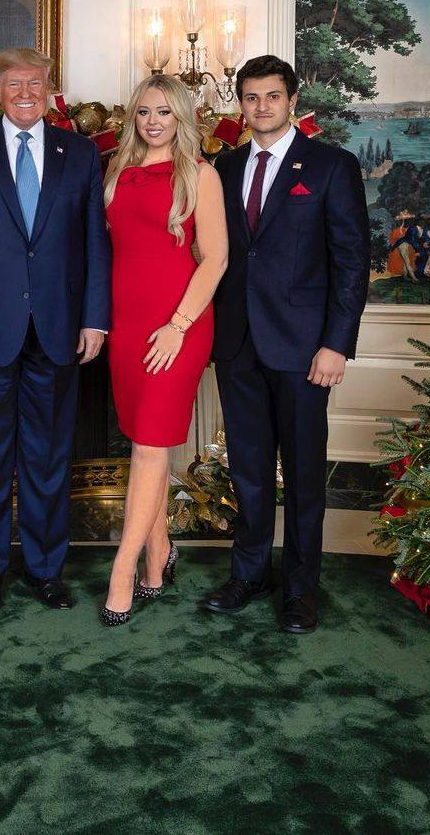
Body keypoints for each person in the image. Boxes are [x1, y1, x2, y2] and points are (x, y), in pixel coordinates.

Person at [0, 47, 110, 614]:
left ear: (50, 87)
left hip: (58, 328)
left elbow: (94, 244)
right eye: (13, 84)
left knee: (49, 457)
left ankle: (45, 568)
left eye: (35, 83)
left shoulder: (79, 153)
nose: (25, 92)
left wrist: (95, 318)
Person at [203, 54, 369, 634]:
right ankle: (249, 573)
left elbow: (352, 262)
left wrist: (336, 344)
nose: (261, 107)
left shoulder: (330, 166)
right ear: (240, 103)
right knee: (247, 469)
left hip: (303, 348)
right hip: (237, 343)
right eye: (250, 97)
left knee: (301, 474)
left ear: (292, 100)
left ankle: (300, 589)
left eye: (272, 96)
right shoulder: (220, 168)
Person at [100, 75, 227, 626]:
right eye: (144, 112)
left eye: (164, 113)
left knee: (151, 444)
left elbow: (215, 260)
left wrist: (177, 324)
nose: (153, 121)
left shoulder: (201, 176)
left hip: (178, 327)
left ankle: (122, 568)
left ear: (182, 119)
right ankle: (158, 553)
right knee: (140, 440)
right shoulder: (118, 173)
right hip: (127, 327)